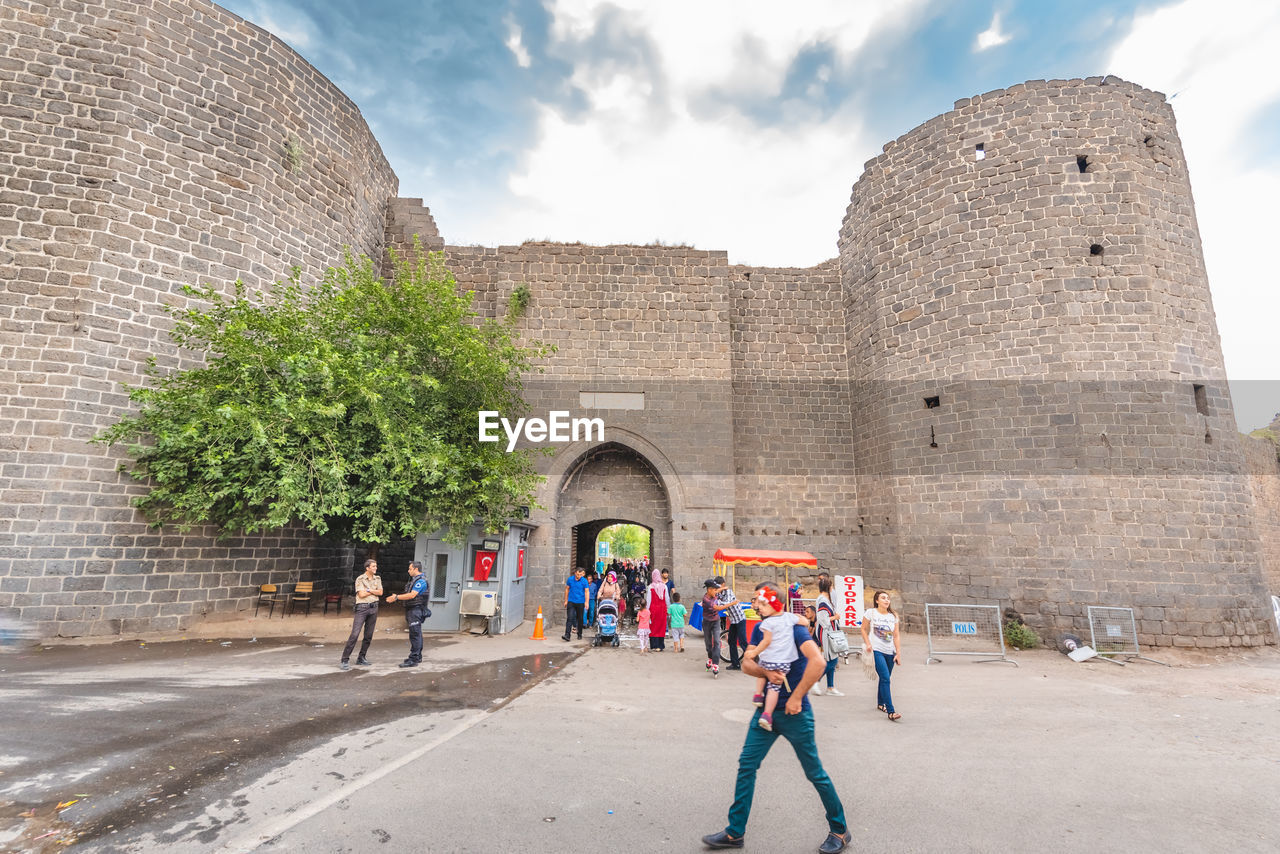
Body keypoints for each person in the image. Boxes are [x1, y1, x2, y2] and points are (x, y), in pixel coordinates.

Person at [701, 581, 850, 853]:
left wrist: (796, 697)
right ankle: (735, 832)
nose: (755, 606)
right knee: (747, 765)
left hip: (795, 713)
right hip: (765, 715)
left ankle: (840, 830)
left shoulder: (794, 628)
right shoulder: (760, 628)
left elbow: (817, 662)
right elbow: (747, 663)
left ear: (771, 601)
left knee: (814, 773)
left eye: (759, 601)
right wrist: (765, 674)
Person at [748, 584, 802, 731]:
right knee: (774, 688)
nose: (760, 608)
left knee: (762, 672)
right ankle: (767, 714)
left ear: (775, 605)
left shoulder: (767, 622)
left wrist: (753, 653)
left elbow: (766, 641)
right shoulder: (790, 618)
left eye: (764, 605)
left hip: (769, 659)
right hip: (784, 662)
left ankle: (758, 695)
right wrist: (801, 619)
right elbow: (804, 622)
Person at [862, 589, 901, 721]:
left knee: (885, 678)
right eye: (883, 598)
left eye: (888, 598)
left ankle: (880, 703)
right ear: (877, 600)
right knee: (885, 678)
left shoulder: (893, 616)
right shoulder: (871, 613)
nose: (886, 600)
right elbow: (863, 628)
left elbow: (896, 635)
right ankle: (891, 711)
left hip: (890, 651)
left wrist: (898, 653)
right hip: (876, 650)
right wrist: (868, 643)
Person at [339, 558, 383, 670]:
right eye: (373, 566)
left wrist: (368, 590)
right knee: (355, 634)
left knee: (368, 635)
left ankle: (361, 657)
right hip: (362, 608)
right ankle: (345, 659)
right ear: (367, 568)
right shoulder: (360, 579)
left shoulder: (377, 578)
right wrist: (373, 591)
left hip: (374, 608)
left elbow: (381, 592)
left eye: (376, 566)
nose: (375, 568)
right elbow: (361, 595)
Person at [385, 560, 428, 668]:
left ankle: (413, 659)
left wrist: (396, 597)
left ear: (416, 569)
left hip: (416, 609)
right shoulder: (415, 580)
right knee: (416, 633)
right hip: (412, 609)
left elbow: (412, 595)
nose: (408, 571)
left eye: (410, 569)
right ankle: (417, 656)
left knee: (415, 634)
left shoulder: (421, 581)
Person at [812, 574, 844, 697]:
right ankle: (815, 680)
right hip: (826, 631)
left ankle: (830, 687)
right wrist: (835, 617)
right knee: (832, 660)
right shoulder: (823, 601)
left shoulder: (826, 600)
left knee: (832, 657)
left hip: (829, 630)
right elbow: (823, 620)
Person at [714, 577, 747, 670]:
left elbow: (728, 602)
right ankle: (735, 664)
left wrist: (718, 603)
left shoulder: (728, 592)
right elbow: (714, 599)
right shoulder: (719, 593)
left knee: (742, 641)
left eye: (719, 585)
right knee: (731, 641)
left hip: (740, 618)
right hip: (733, 620)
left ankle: (753, 661)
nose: (717, 588)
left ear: (723, 584)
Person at [701, 578, 722, 675]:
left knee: (717, 641)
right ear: (709, 589)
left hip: (716, 621)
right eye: (714, 589)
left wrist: (724, 587)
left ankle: (715, 663)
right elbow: (718, 608)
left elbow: (719, 590)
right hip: (707, 622)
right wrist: (732, 603)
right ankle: (710, 657)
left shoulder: (714, 593)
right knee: (709, 644)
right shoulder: (706, 600)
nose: (716, 591)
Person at [562, 566, 589, 641]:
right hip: (571, 601)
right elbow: (567, 589)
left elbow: (587, 591)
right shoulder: (570, 579)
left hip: (580, 602)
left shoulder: (584, 581)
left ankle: (579, 633)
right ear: (575, 573)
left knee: (580, 619)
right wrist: (566, 600)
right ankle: (567, 635)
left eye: (580, 575)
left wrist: (586, 602)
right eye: (577, 574)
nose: (579, 576)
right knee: (570, 618)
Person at [646, 568, 670, 651]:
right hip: (662, 609)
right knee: (661, 626)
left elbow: (648, 600)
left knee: (653, 626)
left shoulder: (650, 587)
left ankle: (654, 645)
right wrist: (668, 608)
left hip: (653, 609)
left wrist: (647, 610)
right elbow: (667, 599)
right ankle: (660, 645)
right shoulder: (664, 586)